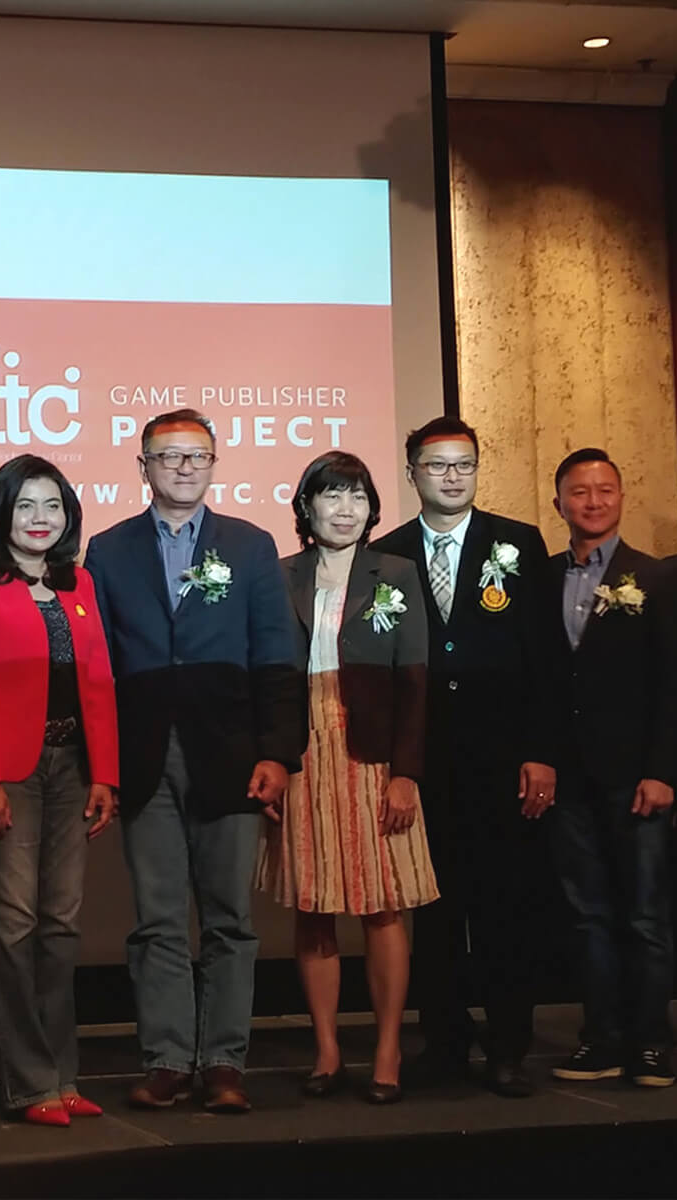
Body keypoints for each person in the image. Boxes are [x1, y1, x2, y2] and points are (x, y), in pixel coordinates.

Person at [83, 409, 302, 1115]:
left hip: (231, 755)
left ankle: (225, 1062)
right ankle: (169, 1058)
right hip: (144, 756)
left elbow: (275, 657)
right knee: (157, 920)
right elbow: (99, 669)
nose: (184, 467)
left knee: (231, 918)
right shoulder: (109, 550)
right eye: (169, 456)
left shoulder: (250, 544)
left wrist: (278, 753)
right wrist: (104, 767)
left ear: (214, 464)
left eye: (197, 456)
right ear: (141, 465)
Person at [370, 416, 559, 1097]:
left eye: (464, 464)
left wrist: (541, 753)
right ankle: (445, 1042)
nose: (452, 475)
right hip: (423, 764)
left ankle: (509, 1046)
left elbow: (545, 659)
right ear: (412, 471)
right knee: (437, 910)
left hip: (504, 761)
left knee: (506, 906)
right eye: (437, 464)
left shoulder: (519, 542)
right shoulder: (385, 554)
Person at [0, 455, 119, 1126]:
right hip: (8, 773)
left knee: (62, 926)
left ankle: (63, 1074)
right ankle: (28, 1083)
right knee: (14, 926)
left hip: (73, 768)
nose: (41, 519)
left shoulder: (79, 584)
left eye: (53, 506)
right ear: (1, 514)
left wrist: (107, 773)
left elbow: (98, 682)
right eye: (26, 507)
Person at [257, 451, 438, 1105]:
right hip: (303, 752)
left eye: (356, 497)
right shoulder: (280, 576)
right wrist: (272, 758)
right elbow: (269, 678)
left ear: (371, 509)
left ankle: (387, 1048)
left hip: (372, 756)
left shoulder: (397, 574)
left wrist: (406, 772)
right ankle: (328, 1050)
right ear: (306, 508)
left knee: (383, 905)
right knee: (315, 908)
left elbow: (415, 683)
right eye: (330, 497)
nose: (343, 509)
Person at [544, 448, 677, 1089]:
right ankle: (599, 1038)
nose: (593, 502)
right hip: (567, 779)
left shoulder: (656, 579)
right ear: (559, 504)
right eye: (580, 492)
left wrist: (662, 770)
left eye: (605, 490)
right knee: (587, 914)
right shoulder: (539, 580)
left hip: (636, 777)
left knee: (645, 916)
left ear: (622, 498)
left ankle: (652, 1042)